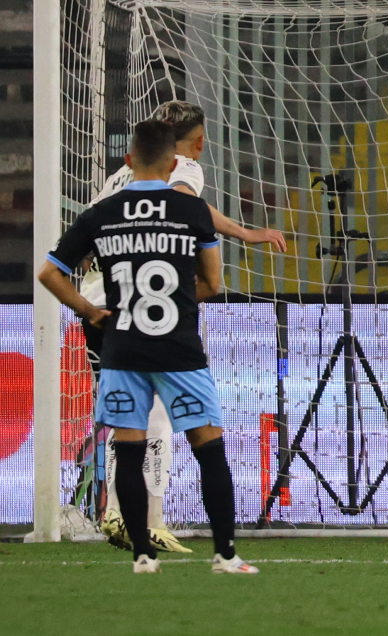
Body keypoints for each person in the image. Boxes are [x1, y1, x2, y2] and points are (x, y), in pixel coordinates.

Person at [39, 120, 258, 574]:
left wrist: (89, 309)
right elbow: (213, 283)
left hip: (123, 348)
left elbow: (50, 273)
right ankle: (226, 555)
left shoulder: (102, 212)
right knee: (208, 448)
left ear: (127, 160)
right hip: (179, 349)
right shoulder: (190, 209)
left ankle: (142, 555)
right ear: (175, 162)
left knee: (130, 449)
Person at [83, 101, 286, 554]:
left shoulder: (120, 177)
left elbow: (90, 230)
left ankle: (117, 509)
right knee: (159, 414)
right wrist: (246, 233)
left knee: (128, 415)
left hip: (99, 305)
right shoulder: (185, 168)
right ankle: (148, 520)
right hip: (145, 308)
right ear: (195, 142)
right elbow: (182, 202)